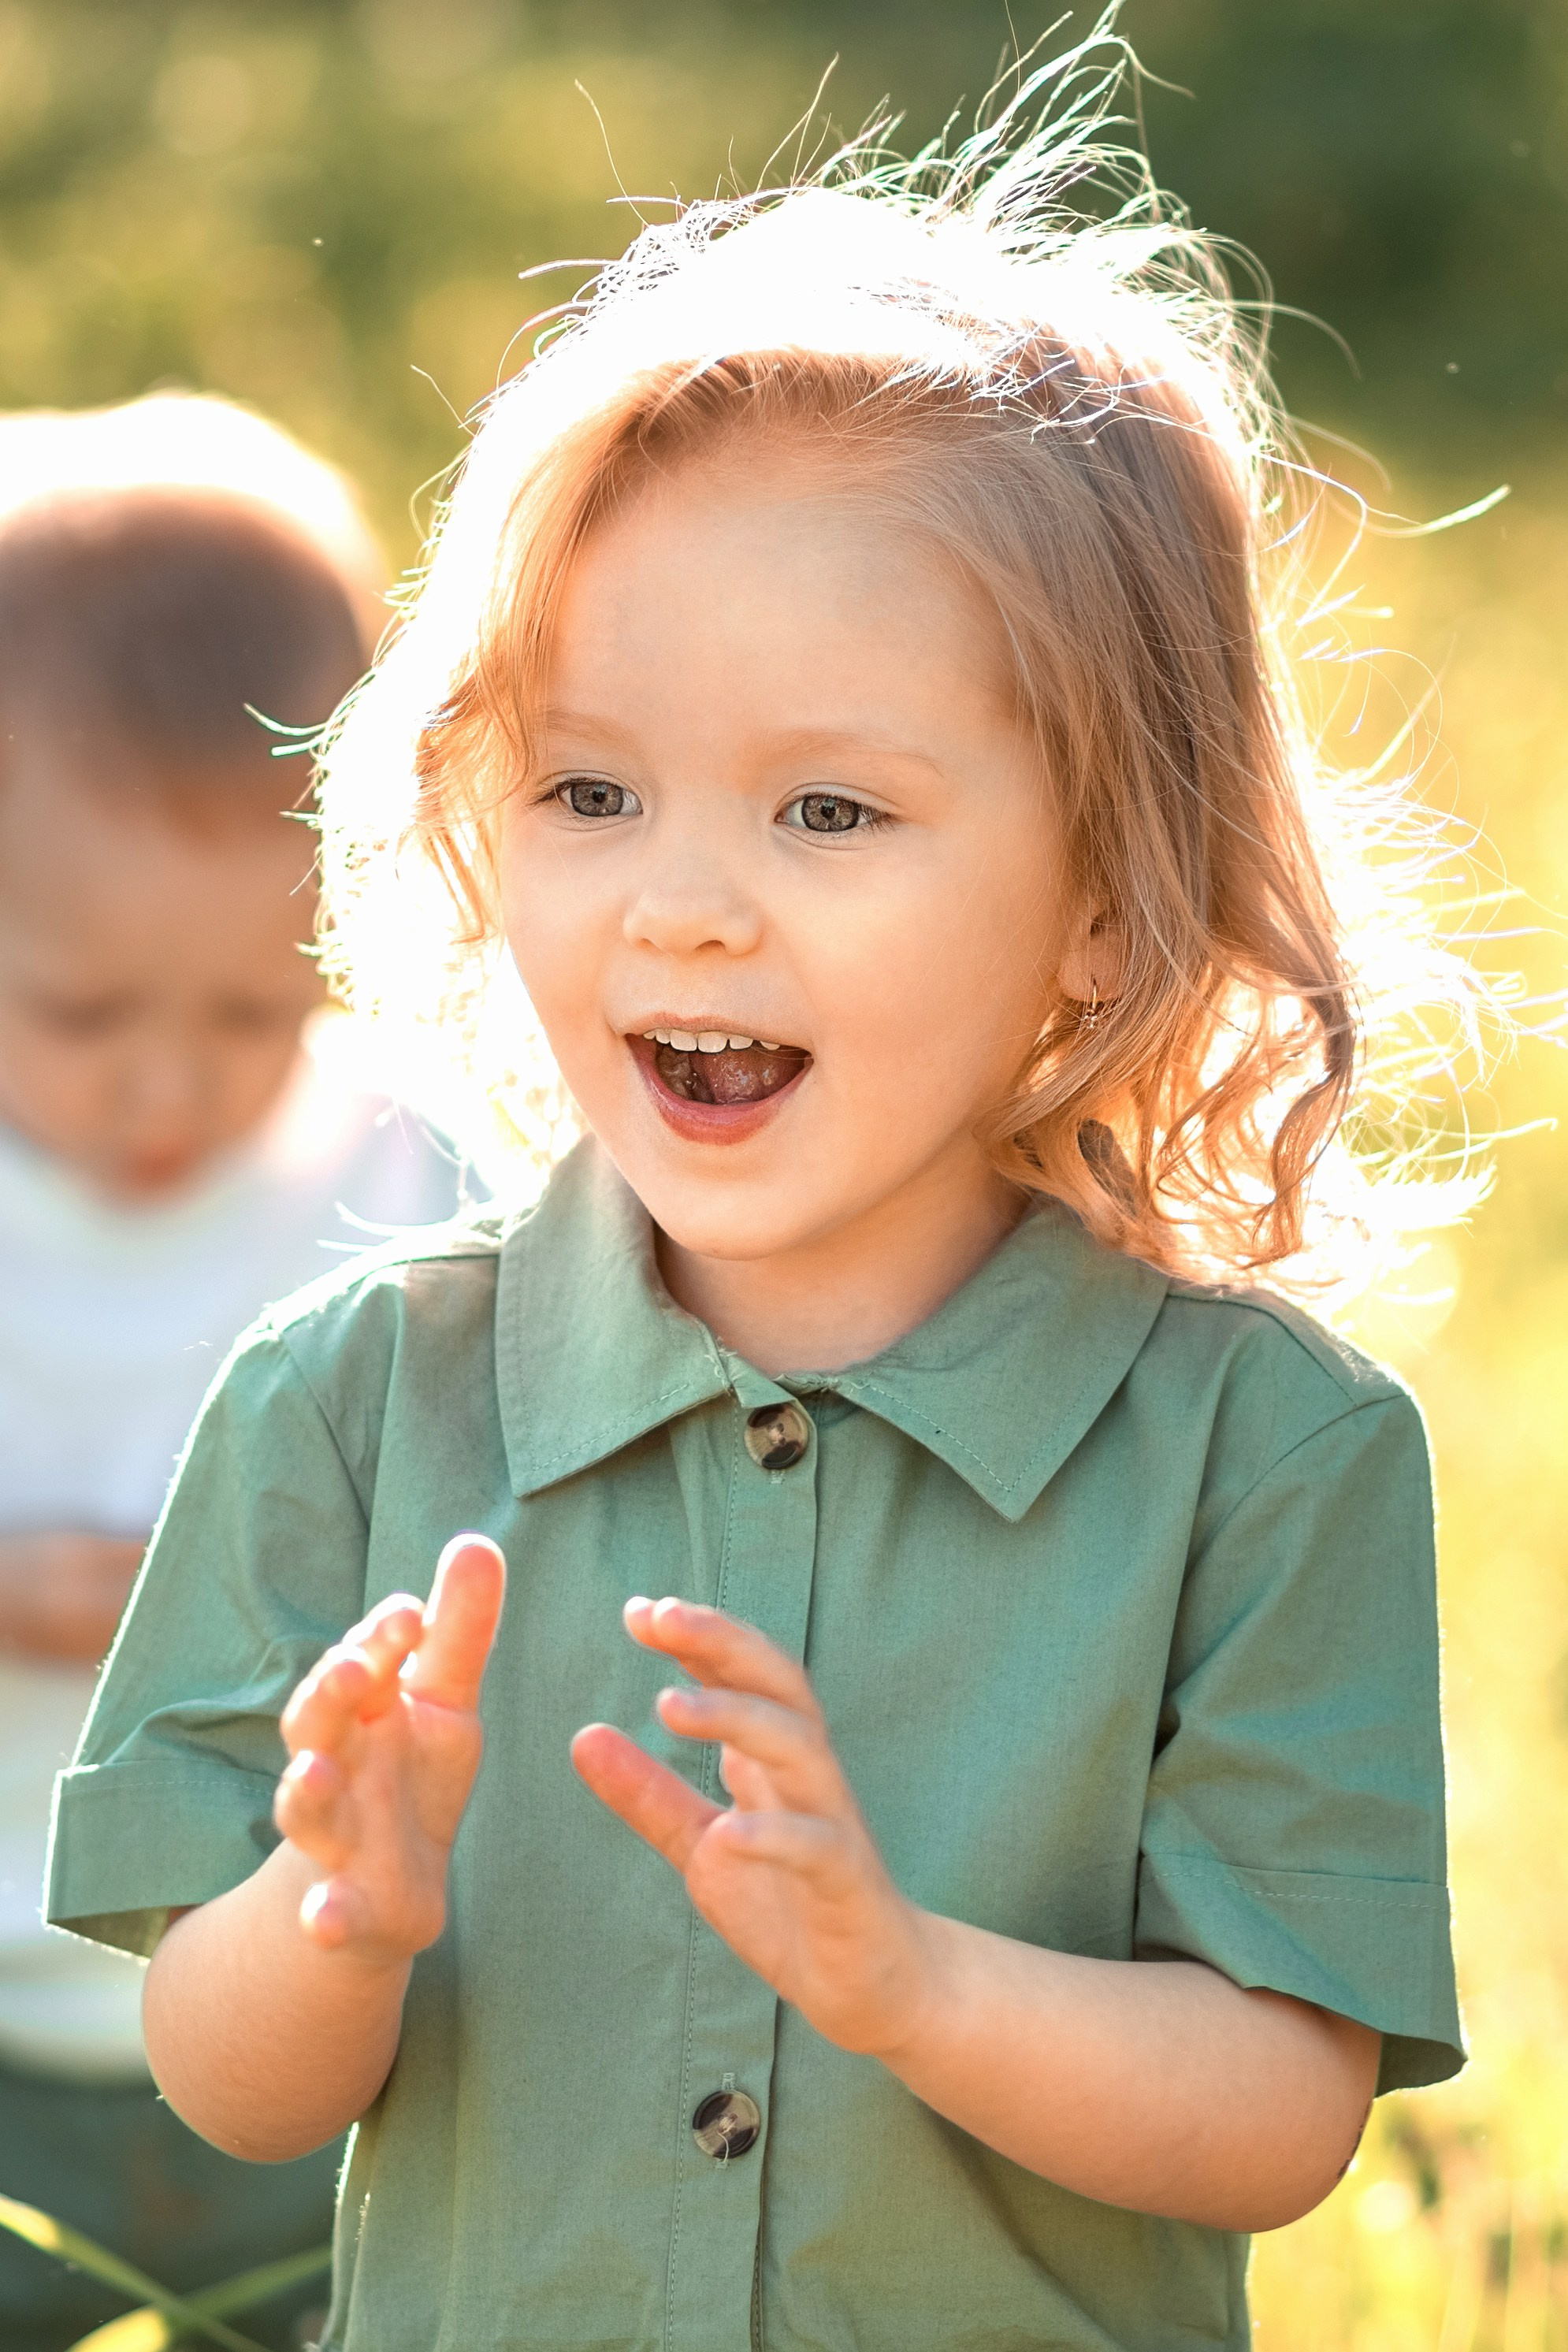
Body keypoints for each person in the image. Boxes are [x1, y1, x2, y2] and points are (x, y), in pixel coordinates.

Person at [46, 50, 1472, 2352]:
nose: (682, 905)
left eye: (825, 811)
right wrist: (337, 1915)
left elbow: (1274, 2112)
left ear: (1103, 905)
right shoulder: (348, 1397)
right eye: (589, 791)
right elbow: (228, 2081)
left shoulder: (1260, 1454)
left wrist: (906, 1981)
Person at [0, 394, 474, 2351]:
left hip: (317, 1994)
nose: (168, 1084)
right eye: (82, 1009)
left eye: (256, 1009)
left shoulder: (418, 1175)